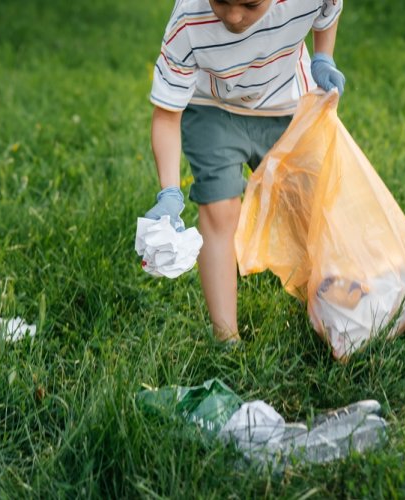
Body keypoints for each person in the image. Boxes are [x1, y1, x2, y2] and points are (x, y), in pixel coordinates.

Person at [144, 0, 345, 342]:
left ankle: (329, 310)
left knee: (309, 206)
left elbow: (329, 8)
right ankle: (227, 340)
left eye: (251, 4)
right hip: (212, 109)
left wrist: (323, 56)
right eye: (221, 0)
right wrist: (169, 193)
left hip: (285, 103)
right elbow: (166, 115)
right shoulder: (188, 17)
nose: (234, 17)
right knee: (220, 210)